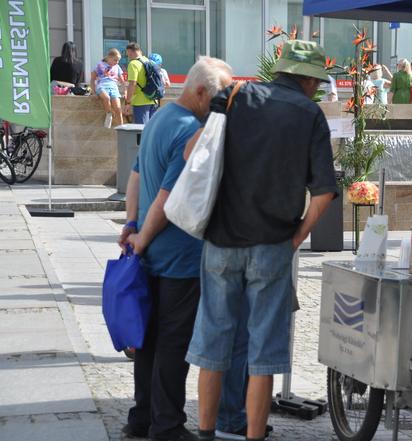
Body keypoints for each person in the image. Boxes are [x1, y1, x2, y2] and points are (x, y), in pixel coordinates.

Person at [186, 40, 338, 441]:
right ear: (308, 80)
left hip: (221, 240)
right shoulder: (310, 114)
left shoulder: (235, 95)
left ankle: (206, 432)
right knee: (263, 354)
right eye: (316, 82)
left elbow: (192, 154)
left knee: (214, 342)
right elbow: (323, 193)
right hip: (272, 244)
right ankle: (253, 435)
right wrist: (297, 237)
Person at [118, 56, 233, 441]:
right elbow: (169, 197)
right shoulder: (189, 130)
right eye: (215, 99)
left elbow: (134, 176)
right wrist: (142, 236)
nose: (216, 108)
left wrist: (132, 225)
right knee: (172, 344)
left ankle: (141, 418)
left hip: (151, 254)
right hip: (178, 258)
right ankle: (166, 426)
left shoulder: (161, 119)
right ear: (199, 92)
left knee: (148, 340)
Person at [125, 42, 159, 124]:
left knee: (141, 131)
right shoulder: (150, 61)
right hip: (153, 100)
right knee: (151, 130)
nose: (128, 56)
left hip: (140, 102)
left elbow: (132, 83)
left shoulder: (133, 64)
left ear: (131, 52)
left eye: (128, 54)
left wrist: (128, 102)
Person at [91, 48, 124, 129]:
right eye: (115, 60)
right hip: (102, 86)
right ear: (109, 57)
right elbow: (92, 79)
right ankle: (109, 113)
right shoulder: (100, 65)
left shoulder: (117, 66)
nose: (117, 62)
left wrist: (125, 91)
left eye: (118, 60)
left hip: (113, 87)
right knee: (106, 98)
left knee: (118, 109)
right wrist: (94, 92)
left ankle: (122, 128)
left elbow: (122, 80)